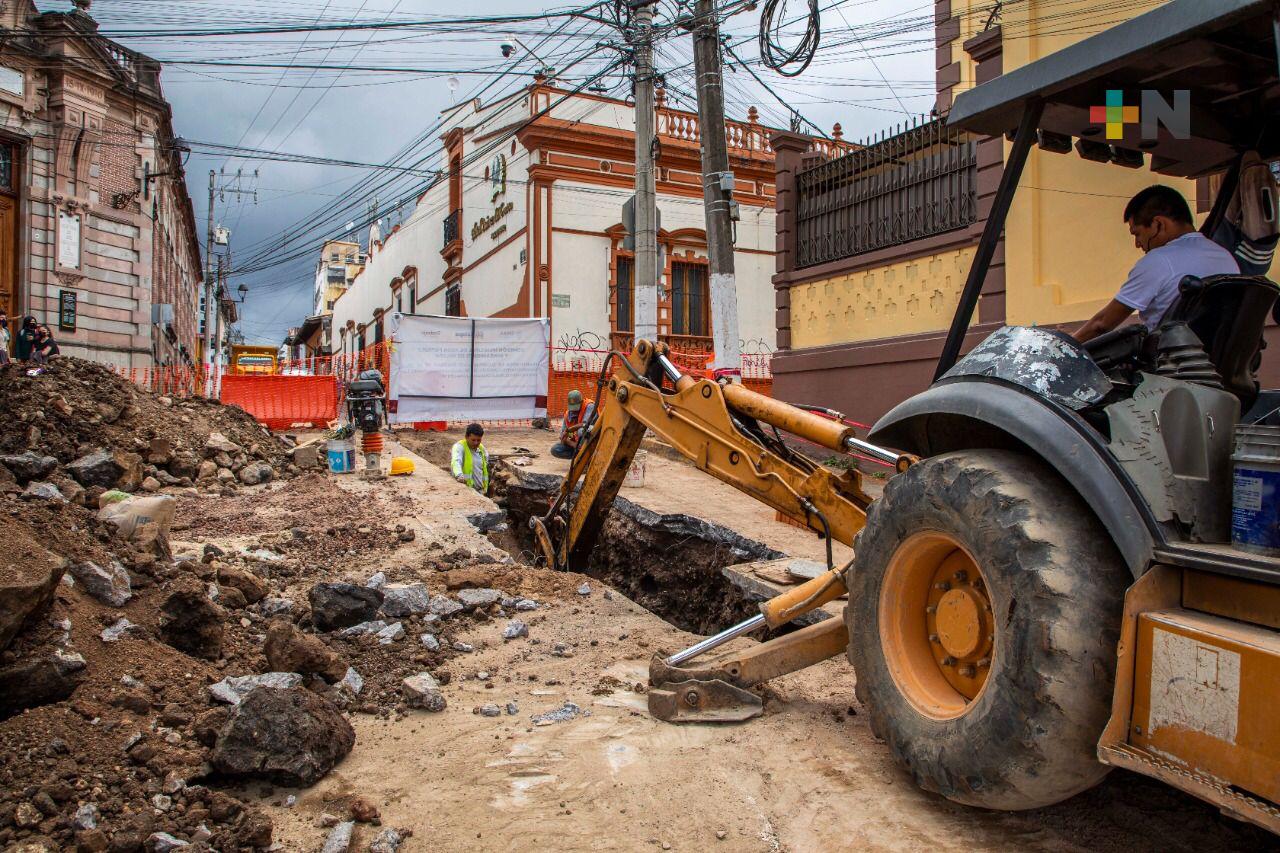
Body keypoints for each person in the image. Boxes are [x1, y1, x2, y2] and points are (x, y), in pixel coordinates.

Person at [1073, 185, 1239, 344]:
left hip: (1169, 365)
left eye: (1137, 234)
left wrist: (1063, 345)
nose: (1138, 244)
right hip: (1223, 364)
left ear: (1158, 224)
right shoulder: (1225, 257)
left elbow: (1101, 324)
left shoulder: (1158, 260)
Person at [549, 390, 595, 459]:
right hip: (578, 445)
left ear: (581, 402)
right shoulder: (568, 414)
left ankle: (590, 453)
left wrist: (571, 429)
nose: (573, 410)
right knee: (555, 449)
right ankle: (580, 456)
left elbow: (586, 424)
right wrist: (574, 444)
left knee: (581, 431)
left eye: (576, 407)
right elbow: (562, 436)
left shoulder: (589, 406)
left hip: (592, 439)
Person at [450, 422, 489, 493]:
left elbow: (485, 462)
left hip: (481, 491)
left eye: (479, 440)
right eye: (473, 440)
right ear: (466, 437)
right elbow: (456, 461)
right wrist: (459, 475)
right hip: (466, 491)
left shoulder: (481, 448)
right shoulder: (459, 447)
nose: (476, 443)